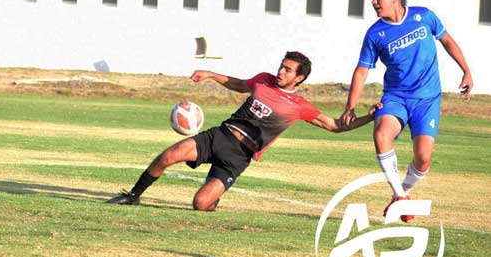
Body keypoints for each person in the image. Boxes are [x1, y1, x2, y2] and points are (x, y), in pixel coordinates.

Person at [107, 52, 379, 210]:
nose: (280, 71)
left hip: (239, 157)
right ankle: (133, 195)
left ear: (300, 78)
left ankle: (215, 196)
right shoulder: (263, 80)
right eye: (281, 66)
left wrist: (369, 117)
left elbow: (334, 126)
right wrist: (212, 74)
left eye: (287, 69)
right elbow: (239, 84)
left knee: (200, 204)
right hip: (220, 136)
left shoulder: (299, 106)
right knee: (169, 155)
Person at [341, 0, 472, 221]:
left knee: (423, 158)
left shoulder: (424, 16)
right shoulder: (375, 34)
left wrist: (466, 70)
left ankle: (402, 194)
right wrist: (351, 106)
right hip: (395, 98)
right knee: (381, 134)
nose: (373, 2)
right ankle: (400, 197)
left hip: (427, 100)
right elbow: (362, 70)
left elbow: (447, 41)